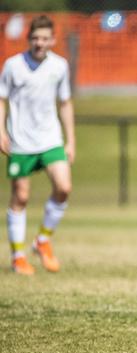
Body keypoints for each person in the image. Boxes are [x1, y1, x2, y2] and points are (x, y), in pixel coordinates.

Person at [0, 15, 75, 276]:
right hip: (20, 140)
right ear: (28, 39)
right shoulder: (13, 66)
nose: (39, 43)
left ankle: (42, 240)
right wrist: (0, 131)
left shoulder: (59, 66)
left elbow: (65, 103)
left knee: (64, 188)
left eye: (44, 38)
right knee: (20, 196)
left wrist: (71, 140)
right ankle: (18, 256)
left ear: (52, 40)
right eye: (35, 38)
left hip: (50, 139)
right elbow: (2, 99)